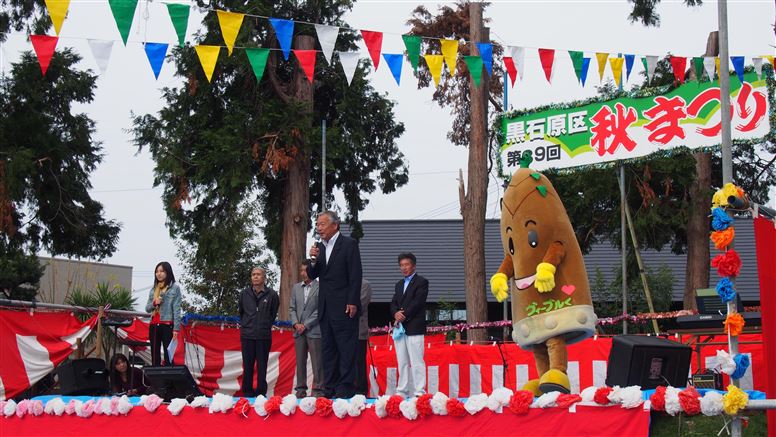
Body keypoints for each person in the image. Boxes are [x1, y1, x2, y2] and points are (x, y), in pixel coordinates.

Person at [307, 210, 363, 399]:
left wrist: (353, 301)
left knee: (346, 349)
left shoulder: (348, 244)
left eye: (322, 224)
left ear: (335, 225)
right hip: (325, 307)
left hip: (345, 307)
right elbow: (313, 275)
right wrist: (312, 259)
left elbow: (355, 275)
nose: (319, 228)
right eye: (317, 225)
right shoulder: (319, 248)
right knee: (328, 349)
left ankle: (345, 388)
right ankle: (328, 388)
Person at [390, 252, 429, 398]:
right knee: (402, 361)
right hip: (400, 329)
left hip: (414, 327)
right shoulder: (399, 284)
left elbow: (418, 302)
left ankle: (419, 392)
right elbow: (393, 303)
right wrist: (395, 314)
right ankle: (402, 391)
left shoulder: (422, 282)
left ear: (413, 265)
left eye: (406, 264)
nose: (404, 268)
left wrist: (402, 315)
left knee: (417, 361)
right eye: (401, 265)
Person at [238, 267, 279, 397]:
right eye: (253, 274)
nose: (255, 277)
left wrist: (264, 325)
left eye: (258, 274)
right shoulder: (244, 294)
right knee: (248, 366)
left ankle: (261, 393)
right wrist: (247, 325)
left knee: (262, 367)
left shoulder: (272, 294)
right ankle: (247, 392)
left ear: (264, 277)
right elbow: (241, 312)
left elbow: (273, 314)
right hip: (247, 336)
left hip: (263, 336)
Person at [289, 260, 324, 398]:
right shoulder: (296, 288)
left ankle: (318, 390)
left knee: (317, 362)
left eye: (306, 270)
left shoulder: (321, 287)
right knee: (300, 362)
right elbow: (292, 308)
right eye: (302, 270)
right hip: (298, 331)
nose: (303, 273)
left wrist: (306, 324)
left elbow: (320, 309)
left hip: (314, 330)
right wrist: (296, 323)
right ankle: (300, 390)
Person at [144, 261, 182, 366]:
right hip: (154, 324)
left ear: (168, 272)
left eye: (162, 271)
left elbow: (177, 309)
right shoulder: (153, 289)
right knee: (154, 354)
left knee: (168, 354)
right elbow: (147, 309)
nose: (159, 274)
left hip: (167, 324)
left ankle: (169, 381)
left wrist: (176, 328)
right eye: (157, 271)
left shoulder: (175, 288)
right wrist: (154, 303)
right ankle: (156, 381)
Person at [355, 279, 373, 396]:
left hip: (358, 330)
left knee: (359, 362)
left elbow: (359, 305)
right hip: (343, 332)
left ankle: (361, 392)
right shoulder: (342, 282)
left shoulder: (364, 284)